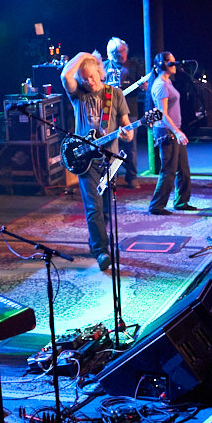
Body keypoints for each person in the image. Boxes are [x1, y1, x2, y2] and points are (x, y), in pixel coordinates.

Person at [61, 51, 134, 269]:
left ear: (100, 73)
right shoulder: (78, 94)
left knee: (105, 209)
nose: (88, 82)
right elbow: (66, 76)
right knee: (93, 207)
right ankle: (101, 251)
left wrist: (127, 134)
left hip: (109, 160)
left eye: (92, 77)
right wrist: (82, 55)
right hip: (85, 160)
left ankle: (98, 241)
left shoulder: (115, 94)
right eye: (84, 78)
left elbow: (126, 126)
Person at [147, 51, 197, 215]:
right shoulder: (160, 85)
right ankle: (156, 205)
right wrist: (177, 131)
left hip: (175, 129)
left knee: (183, 169)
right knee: (168, 170)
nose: (175, 66)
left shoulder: (167, 82)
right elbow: (163, 113)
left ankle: (181, 201)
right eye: (172, 63)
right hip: (167, 131)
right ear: (163, 65)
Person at [102, 37, 144, 189]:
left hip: (130, 109)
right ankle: (111, 177)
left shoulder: (134, 66)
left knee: (130, 145)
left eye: (124, 51)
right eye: (119, 53)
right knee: (109, 145)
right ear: (111, 53)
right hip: (108, 111)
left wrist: (144, 86)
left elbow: (144, 86)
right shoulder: (105, 66)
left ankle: (131, 177)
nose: (122, 55)